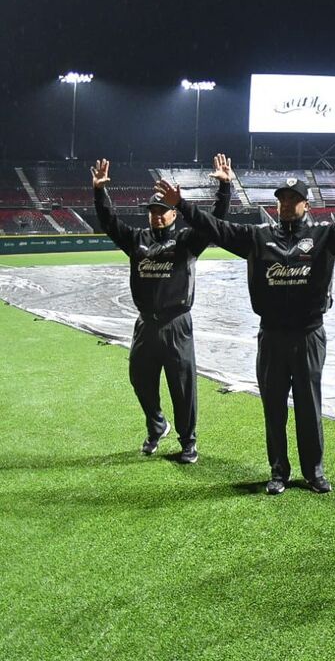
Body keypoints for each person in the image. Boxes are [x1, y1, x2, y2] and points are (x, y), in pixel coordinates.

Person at [154, 170, 335, 494]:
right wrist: (182, 205)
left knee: (309, 408)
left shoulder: (325, 237)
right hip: (271, 337)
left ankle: (314, 472)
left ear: (306, 205)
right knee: (274, 409)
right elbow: (216, 228)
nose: (286, 204)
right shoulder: (257, 238)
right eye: (282, 199)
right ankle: (278, 472)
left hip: (309, 335)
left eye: (293, 199)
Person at [92, 154, 233, 463]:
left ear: (173, 215)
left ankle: (188, 441)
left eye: (162, 211)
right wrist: (99, 191)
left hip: (176, 324)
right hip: (146, 324)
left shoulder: (187, 241)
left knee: (182, 386)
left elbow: (214, 223)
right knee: (139, 379)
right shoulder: (136, 240)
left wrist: (225, 188)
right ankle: (157, 425)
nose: (156, 216)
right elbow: (109, 222)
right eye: (152, 212)